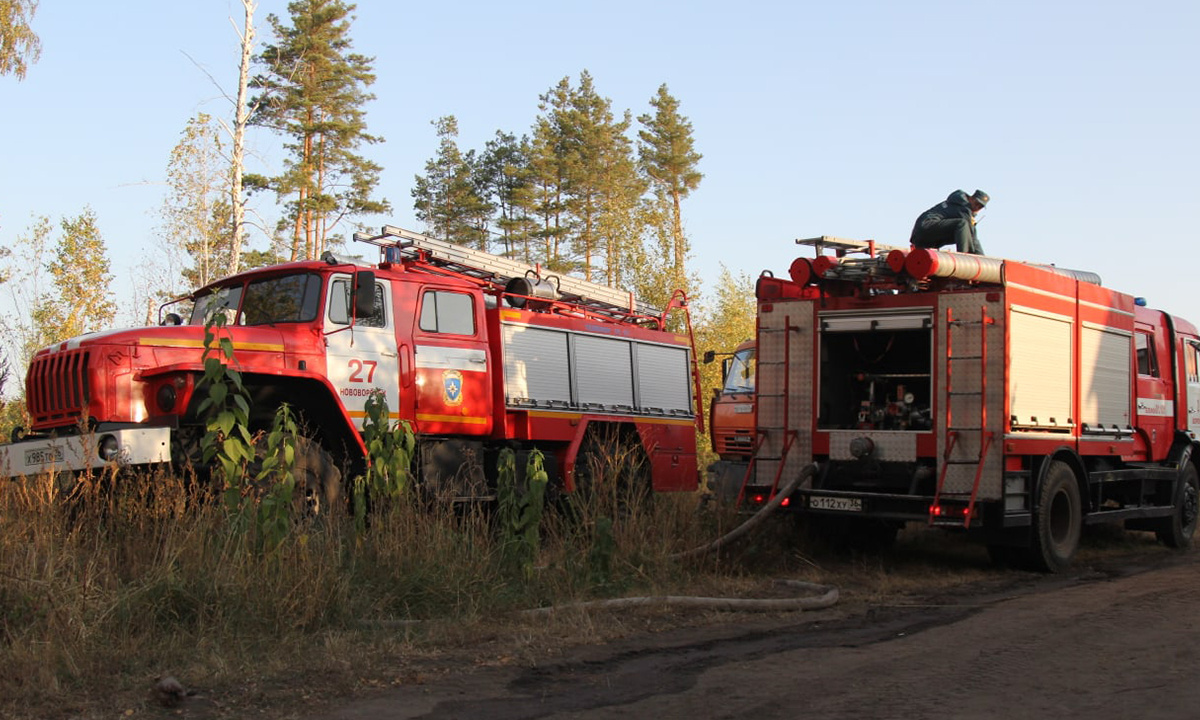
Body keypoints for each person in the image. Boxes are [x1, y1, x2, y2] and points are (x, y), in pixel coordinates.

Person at [909, 189, 989, 255]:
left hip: (923, 237)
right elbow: (972, 237)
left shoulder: (961, 205)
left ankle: (967, 256)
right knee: (962, 224)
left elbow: (972, 236)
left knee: (965, 231)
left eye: (980, 206)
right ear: (971, 198)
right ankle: (964, 256)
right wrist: (979, 259)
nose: (977, 207)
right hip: (926, 226)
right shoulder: (963, 207)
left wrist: (983, 258)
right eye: (976, 203)